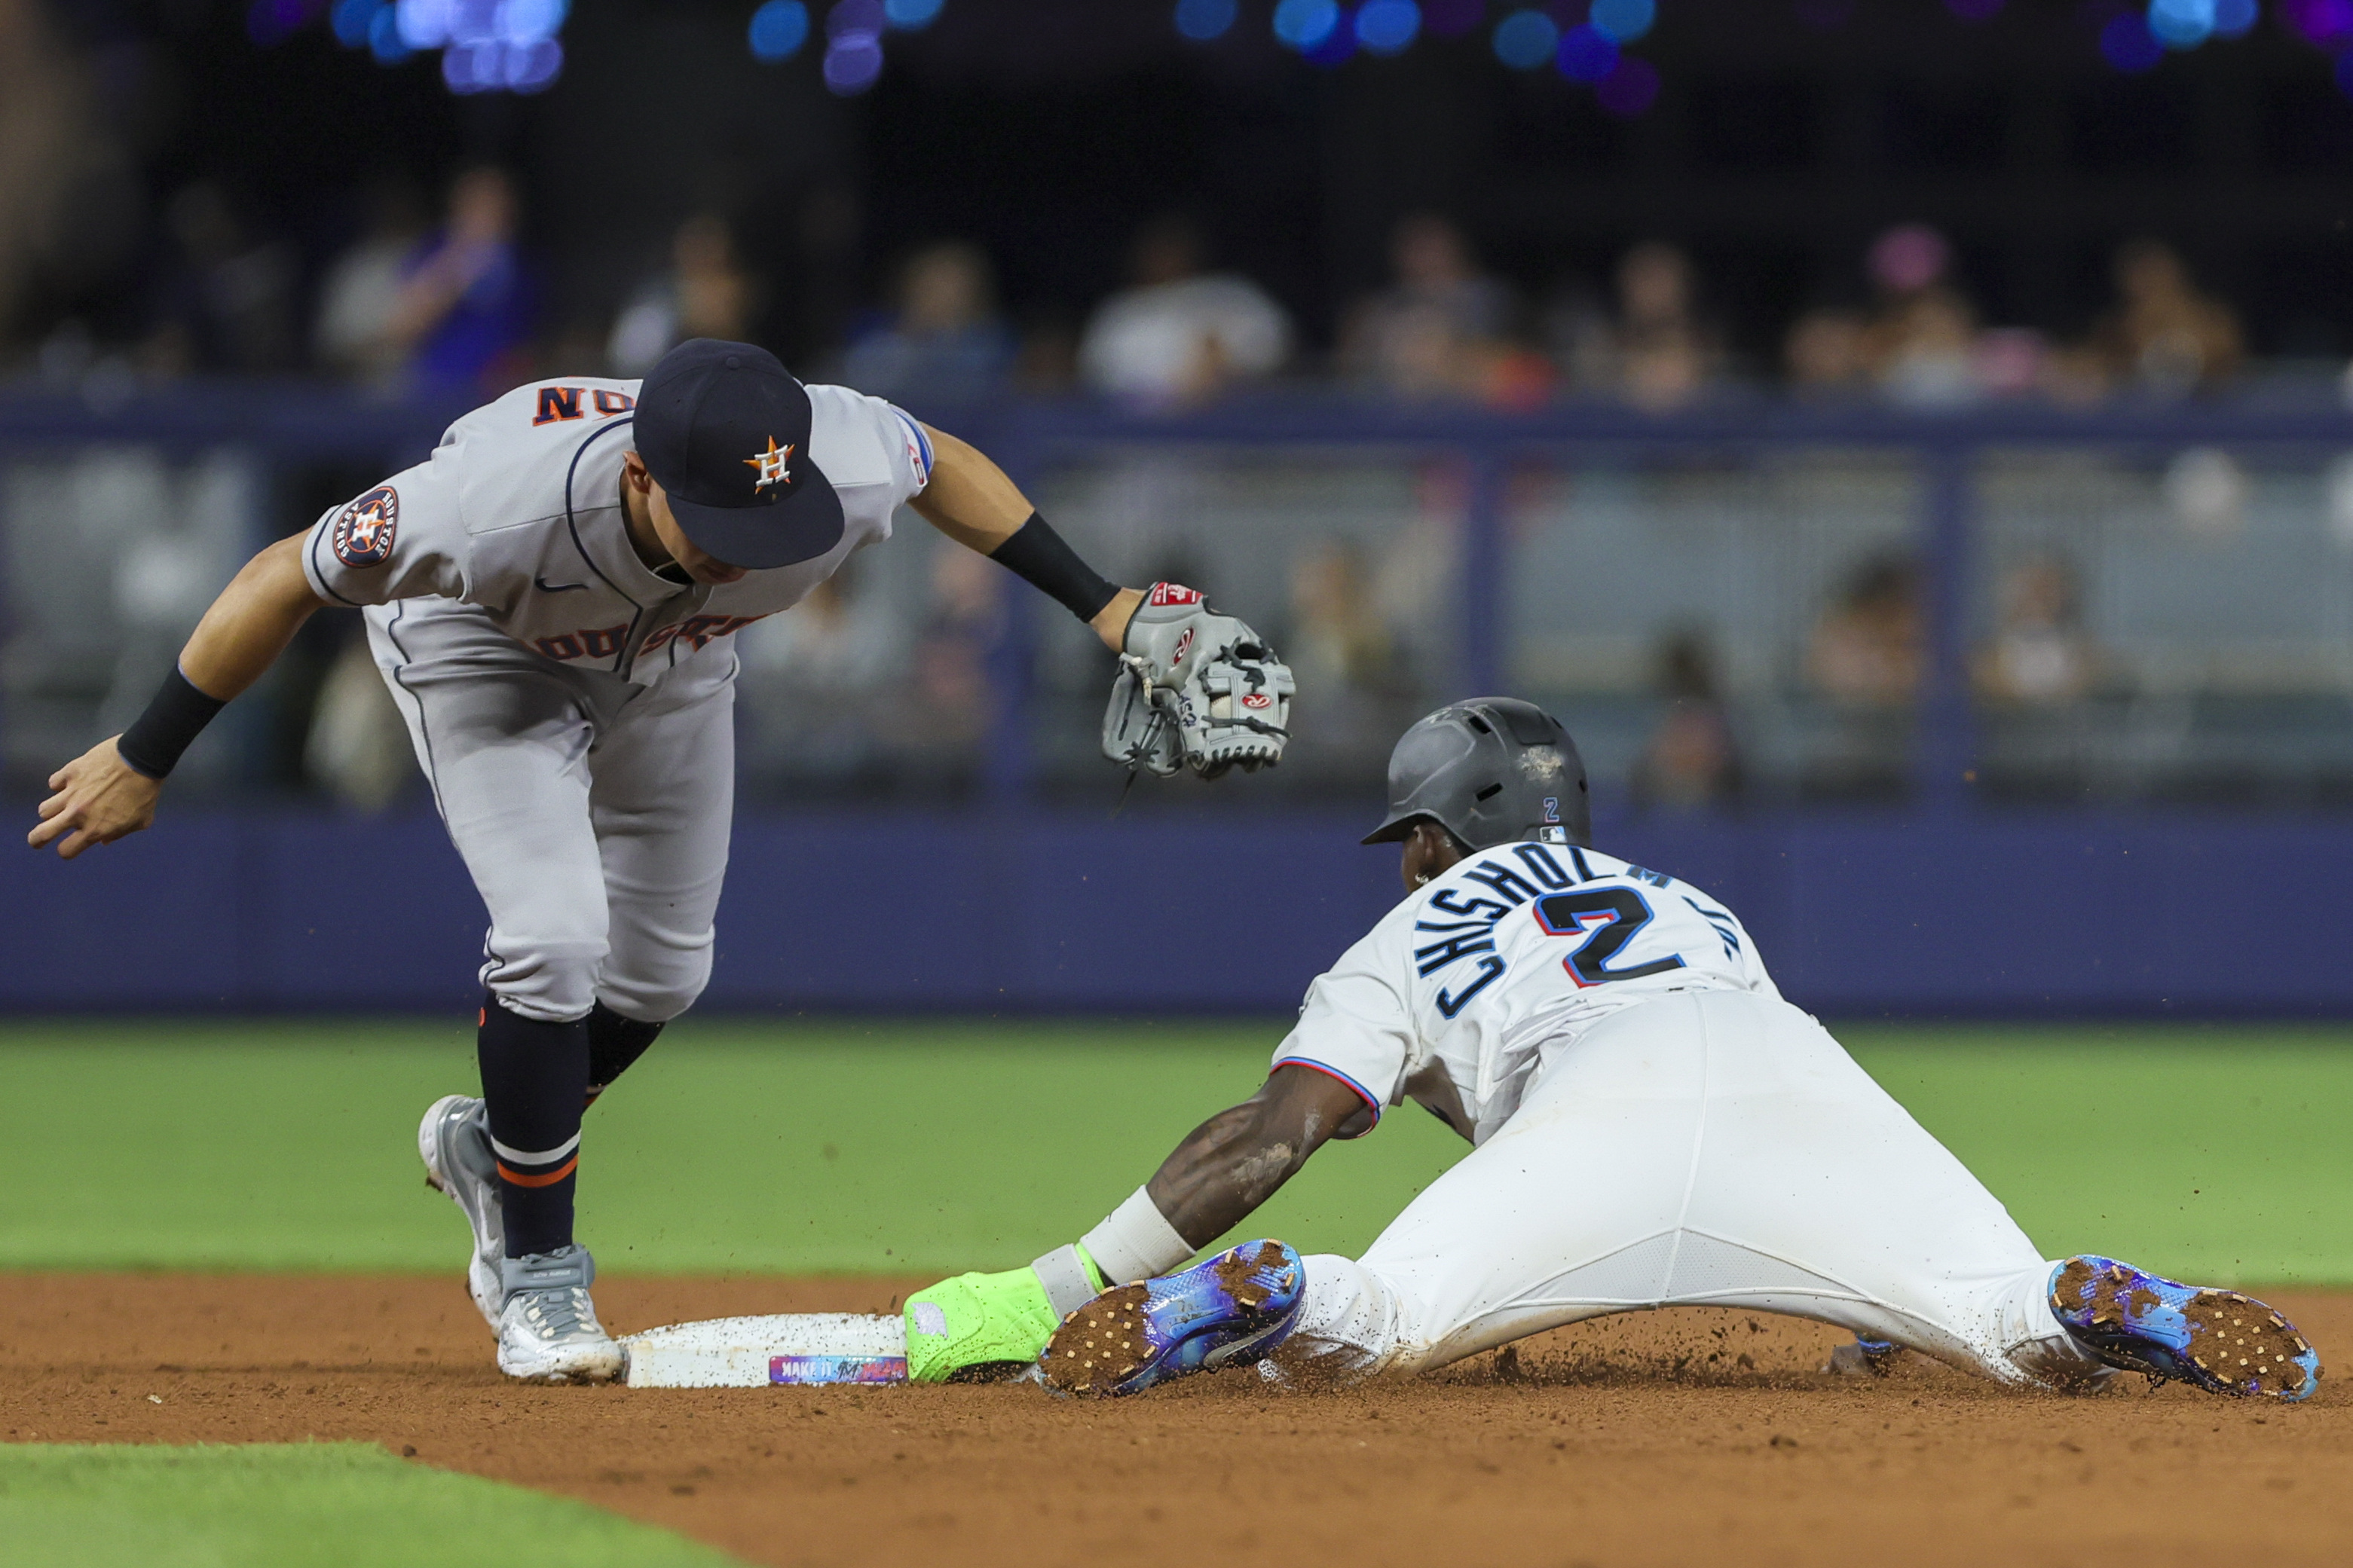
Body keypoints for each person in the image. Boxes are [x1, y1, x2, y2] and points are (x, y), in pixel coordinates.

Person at [28, 336, 1285, 1383]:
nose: (756, 537)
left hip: (676, 667)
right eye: (724, 512)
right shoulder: (489, 509)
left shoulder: (832, 459)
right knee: (554, 935)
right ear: (642, 475)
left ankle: (498, 1144)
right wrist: (148, 754)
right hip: (484, 657)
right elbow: (275, 578)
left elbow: (938, 460)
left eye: (770, 510)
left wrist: (1106, 605)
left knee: (665, 972)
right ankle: (539, 1278)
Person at [898, 698, 2321, 1404]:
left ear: (1445, 829)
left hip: (1591, 1115)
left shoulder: (1412, 930)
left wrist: (1063, 1281)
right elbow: (1758, 1106)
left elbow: (1270, 1136)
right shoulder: (1685, 895)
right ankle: (2082, 1298)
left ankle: (1280, 1296)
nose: (1404, 862)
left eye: (1409, 835)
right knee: (2007, 1320)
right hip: (1789, 1066)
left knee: (1375, 1325)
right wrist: (1877, 1302)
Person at [1076, 215, 1290, 405]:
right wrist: (1180, 387)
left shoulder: (1229, 294)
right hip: (1149, 429)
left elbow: (1276, 348)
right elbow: (1102, 378)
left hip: (1236, 418)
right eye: (1157, 252)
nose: (1166, 259)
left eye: (1173, 250)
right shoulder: (1121, 312)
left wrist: (1225, 358)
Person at [384, 166, 531, 393]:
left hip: (501, 387)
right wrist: (462, 261)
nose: (491, 210)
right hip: (440, 383)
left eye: (498, 201)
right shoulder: (435, 249)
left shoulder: (522, 259)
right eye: (480, 203)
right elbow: (404, 327)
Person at [840, 240, 1016, 404]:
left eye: (953, 286)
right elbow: (858, 390)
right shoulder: (879, 341)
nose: (943, 296)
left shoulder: (992, 346)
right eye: (933, 284)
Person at [605, 212, 760, 378]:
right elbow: (629, 365)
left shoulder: (743, 291)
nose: (704, 256)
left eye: (710, 248)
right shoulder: (655, 303)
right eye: (696, 247)